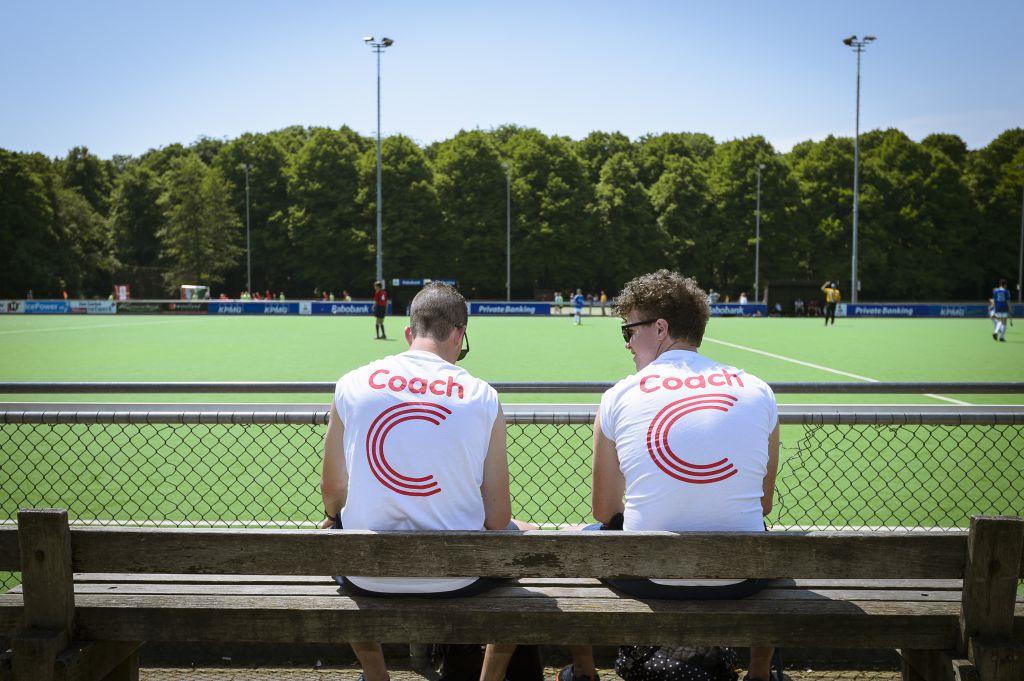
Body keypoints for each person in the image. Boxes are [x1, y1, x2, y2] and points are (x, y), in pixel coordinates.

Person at [547, 270, 780, 681]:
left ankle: (583, 672)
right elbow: (762, 504)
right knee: (767, 533)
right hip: (740, 578)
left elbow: (603, 510)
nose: (626, 342)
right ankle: (760, 674)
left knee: (583, 538)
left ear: (660, 329)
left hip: (650, 578)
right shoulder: (758, 390)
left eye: (628, 330)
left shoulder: (619, 395)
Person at [320, 282, 533, 681]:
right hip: (458, 577)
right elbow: (497, 516)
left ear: (409, 333)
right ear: (458, 334)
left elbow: (332, 490)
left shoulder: (352, 383)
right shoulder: (482, 395)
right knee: (523, 539)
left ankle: (376, 675)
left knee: (334, 536)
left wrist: (335, 516)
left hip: (368, 578)